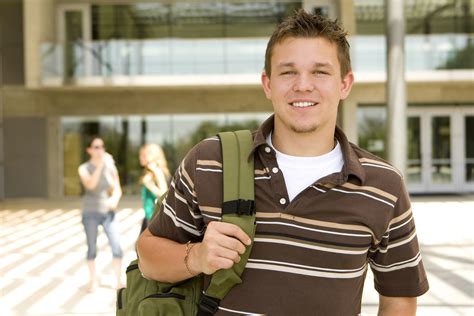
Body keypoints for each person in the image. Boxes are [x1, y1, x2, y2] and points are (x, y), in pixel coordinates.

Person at [137, 10, 429, 315]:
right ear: (267, 84)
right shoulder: (210, 160)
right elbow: (148, 257)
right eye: (288, 72)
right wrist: (196, 256)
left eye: (320, 72)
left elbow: (400, 295)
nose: (303, 85)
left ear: (345, 84)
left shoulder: (384, 186)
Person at [78, 136, 124, 292]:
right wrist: (101, 165)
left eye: (102, 146)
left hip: (108, 212)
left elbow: (117, 188)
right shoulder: (84, 168)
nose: (100, 150)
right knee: (92, 247)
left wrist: (115, 199)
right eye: (96, 147)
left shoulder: (110, 167)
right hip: (90, 212)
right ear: (89, 150)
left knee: (116, 245)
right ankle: (93, 281)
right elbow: (91, 185)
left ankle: (117, 281)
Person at [138, 143, 170, 233]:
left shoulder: (157, 171)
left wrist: (149, 185)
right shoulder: (149, 172)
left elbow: (164, 194)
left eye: (143, 155)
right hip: (149, 215)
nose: (140, 157)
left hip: (155, 217)